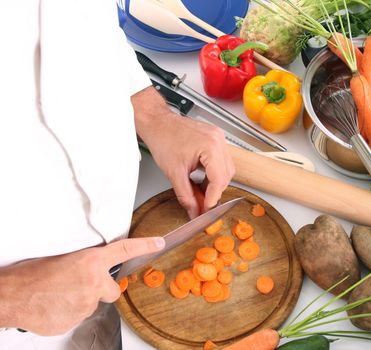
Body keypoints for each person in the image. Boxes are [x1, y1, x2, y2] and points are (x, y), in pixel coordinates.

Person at [0, 1, 235, 349]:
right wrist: (10, 297)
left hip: (115, 278)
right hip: (22, 326)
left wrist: (156, 117)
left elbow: (88, 25)